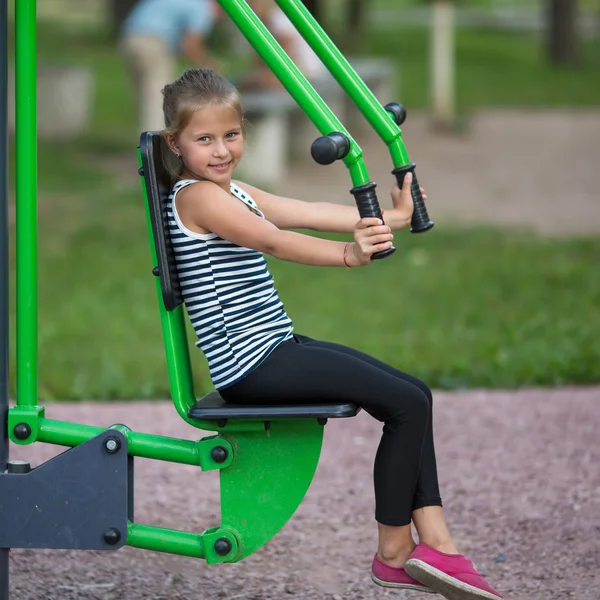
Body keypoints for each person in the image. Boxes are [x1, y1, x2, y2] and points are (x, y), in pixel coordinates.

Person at [161, 67, 503, 600]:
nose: (221, 149)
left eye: (231, 135)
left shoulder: (232, 190)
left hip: (275, 349)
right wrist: (349, 255)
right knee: (404, 404)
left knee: (414, 394)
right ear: (174, 143)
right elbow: (274, 239)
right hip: (252, 366)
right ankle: (395, 553)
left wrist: (394, 214)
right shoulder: (199, 198)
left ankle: (438, 544)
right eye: (203, 139)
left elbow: (310, 211)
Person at [120, 0, 221, 133]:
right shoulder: (203, 8)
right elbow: (190, 45)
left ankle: (147, 141)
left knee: (145, 95)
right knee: (160, 100)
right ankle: (155, 147)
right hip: (154, 42)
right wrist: (210, 66)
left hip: (130, 38)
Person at [237, 0, 327, 89]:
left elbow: (286, 65)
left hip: (309, 75)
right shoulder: (260, 25)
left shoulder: (278, 20)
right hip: (302, 73)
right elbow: (261, 64)